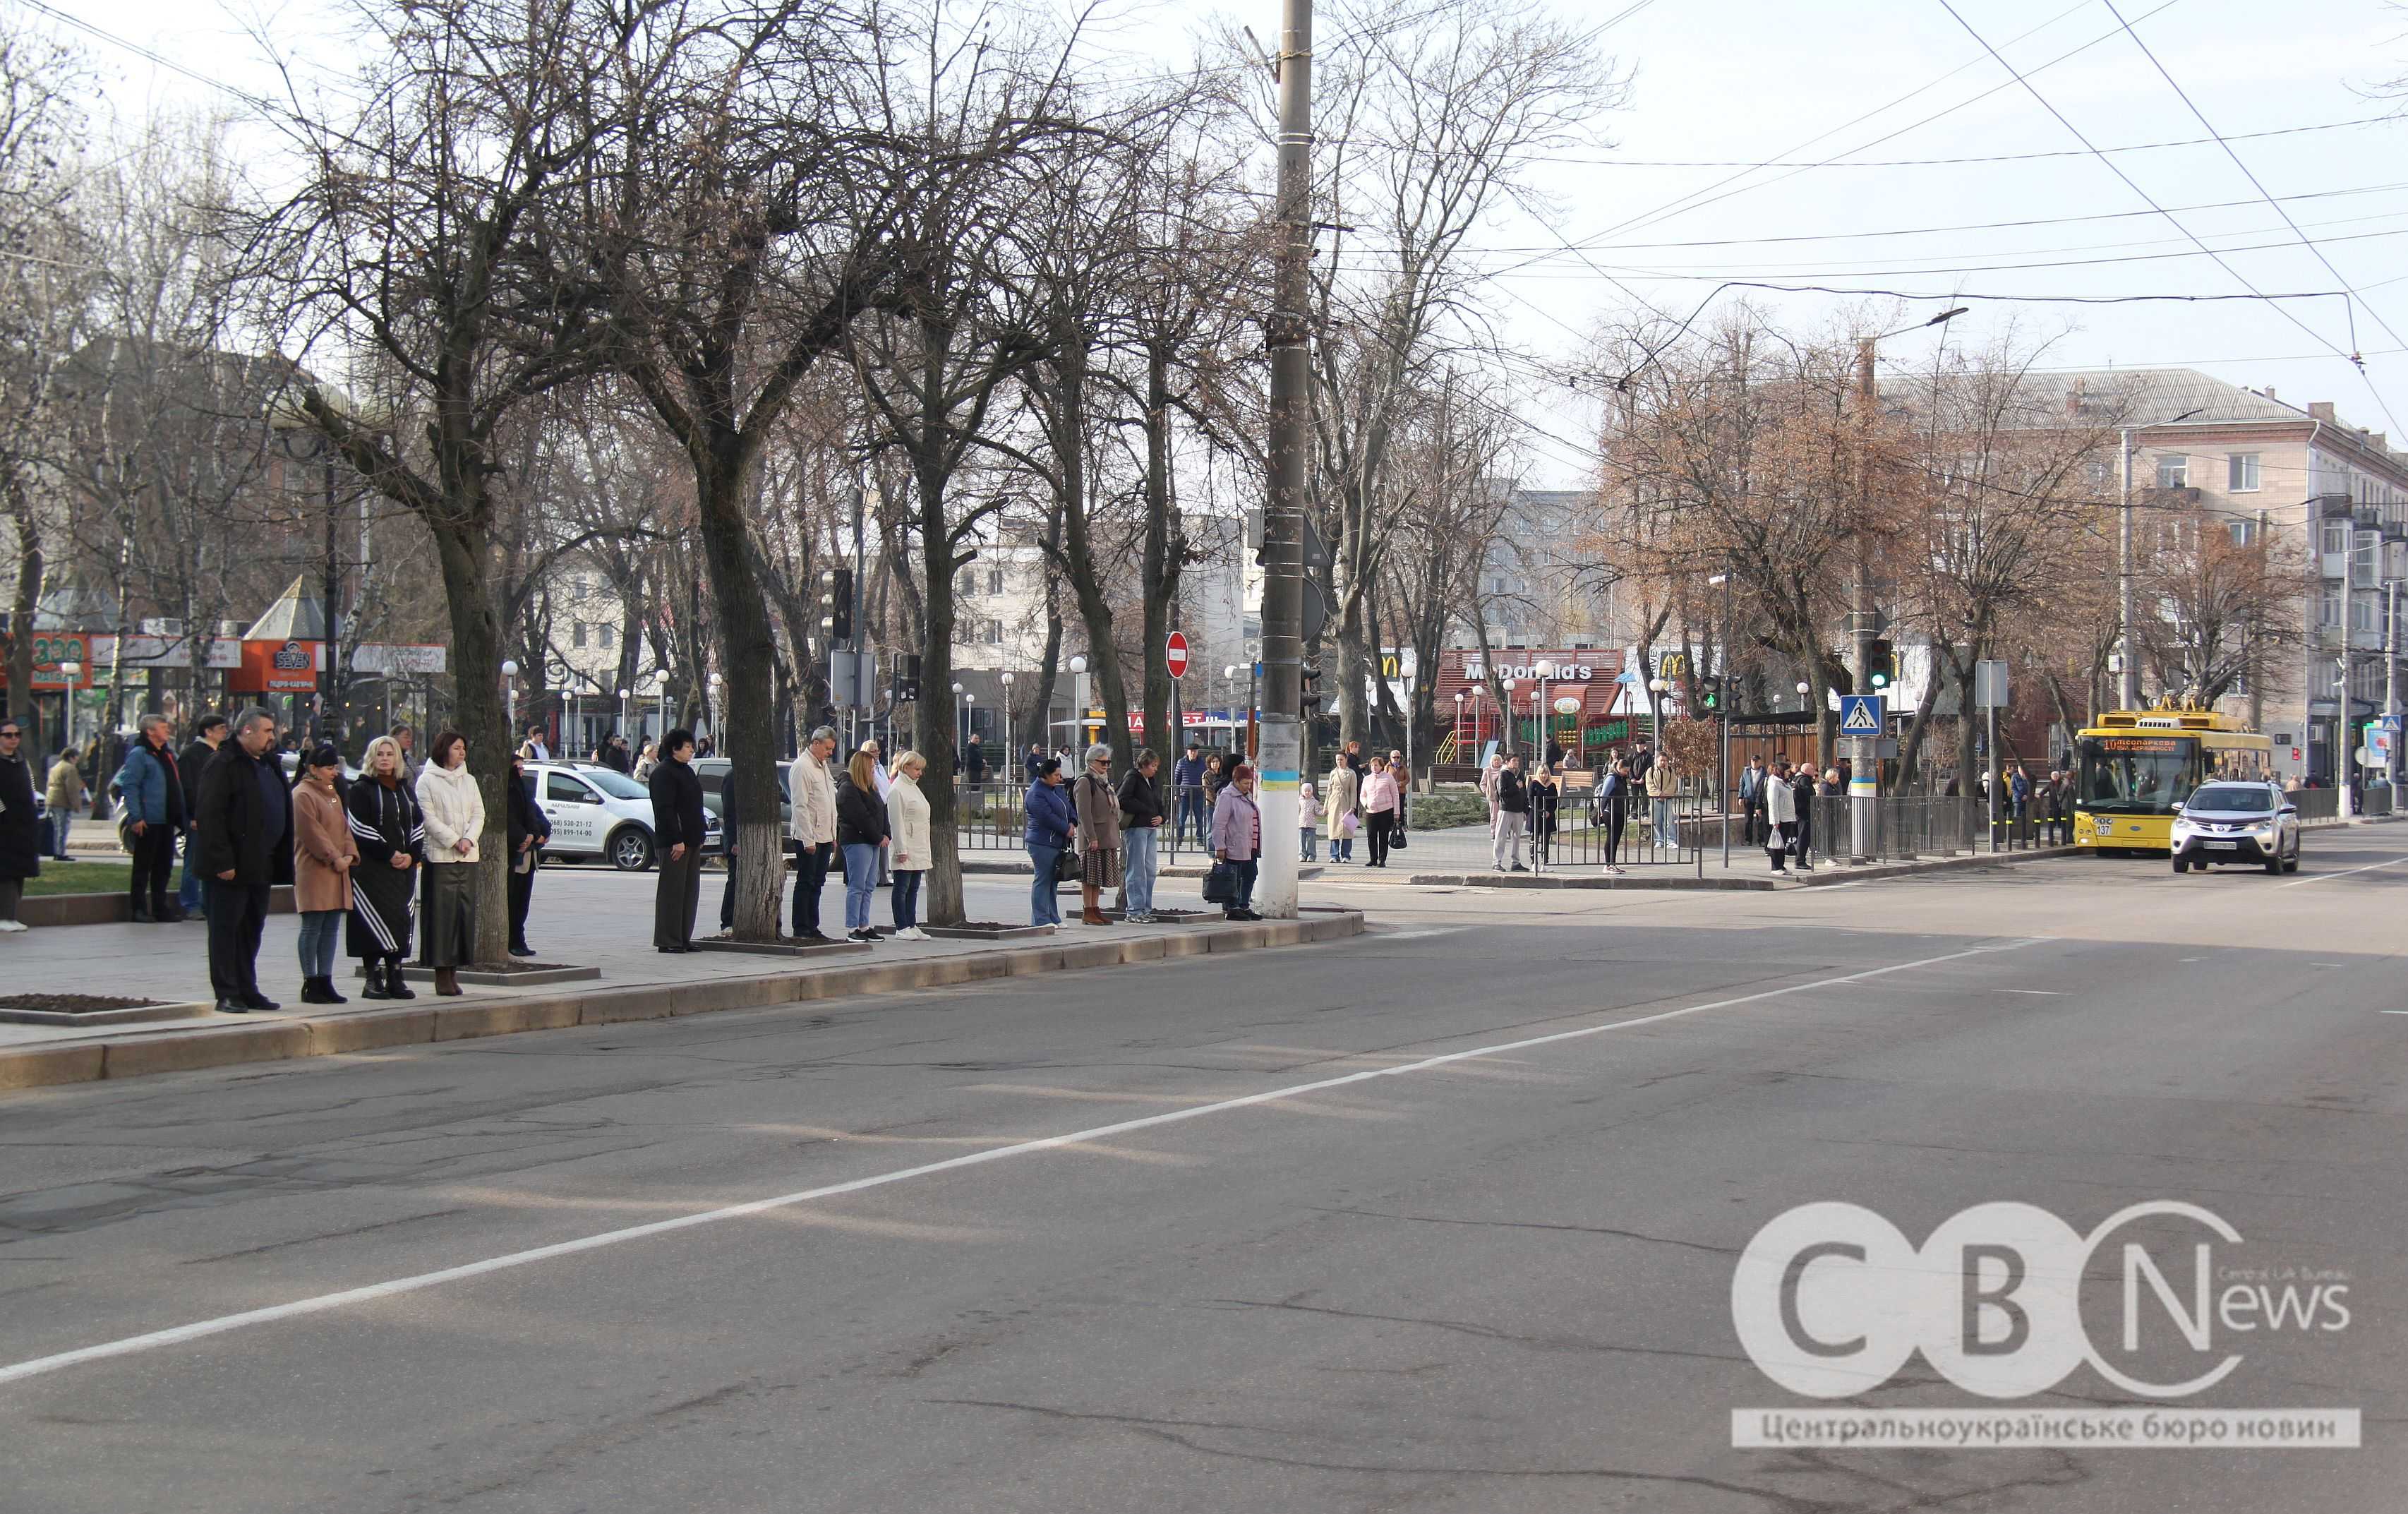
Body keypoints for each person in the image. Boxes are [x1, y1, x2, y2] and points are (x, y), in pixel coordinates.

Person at [195, 708, 294, 1012]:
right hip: (231, 867)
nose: (272, 737)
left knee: (251, 930)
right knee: (226, 931)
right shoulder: (223, 764)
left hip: (261, 863)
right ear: (247, 731)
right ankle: (227, 992)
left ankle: (247, 988)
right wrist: (223, 861)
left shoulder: (268, 764)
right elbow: (210, 815)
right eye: (267, 731)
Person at [348, 736, 423, 1000]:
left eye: (390, 754)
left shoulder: (405, 790)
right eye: (380, 754)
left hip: (403, 870)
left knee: (400, 919)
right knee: (372, 922)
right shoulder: (361, 789)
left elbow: (418, 824)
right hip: (372, 870)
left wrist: (412, 855)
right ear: (372, 757)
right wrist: (389, 854)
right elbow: (359, 827)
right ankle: (372, 979)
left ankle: (395, 975)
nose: (385, 758)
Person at [414, 730, 484, 995]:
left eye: (463, 748)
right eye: (456, 748)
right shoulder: (427, 781)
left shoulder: (470, 781)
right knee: (442, 918)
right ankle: (441, 974)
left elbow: (479, 814)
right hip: (441, 858)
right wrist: (454, 840)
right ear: (444, 750)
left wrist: (468, 839)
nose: (461, 752)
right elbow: (428, 818)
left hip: (467, 857)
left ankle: (455, 971)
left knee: (462, 917)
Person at [290, 745, 357, 1005]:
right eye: (329, 768)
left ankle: (326, 980)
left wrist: (349, 854)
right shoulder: (302, 795)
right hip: (315, 869)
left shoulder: (332, 794)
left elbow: (344, 827)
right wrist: (334, 857)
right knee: (313, 926)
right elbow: (311, 833)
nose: (335, 772)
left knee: (330, 927)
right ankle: (311, 981)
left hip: (337, 869)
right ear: (313, 769)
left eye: (335, 767)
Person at [113, 714, 187, 923]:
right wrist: (136, 816)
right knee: (143, 867)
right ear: (150, 731)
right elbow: (131, 786)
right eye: (163, 727)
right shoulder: (139, 754)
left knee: (163, 867)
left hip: (167, 819)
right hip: (148, 819)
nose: (168, 730)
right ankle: (138, 909)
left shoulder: (168, 754)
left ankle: (160, 907)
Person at [650, 728, 707, 952]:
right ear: (675, 749)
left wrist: (699, 835)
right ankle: (668, 939)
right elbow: (665, 810)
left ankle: (683, 937)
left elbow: (694, 806)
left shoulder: (687, 771)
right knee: (672, 891)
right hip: (674, 843)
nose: (692, 750)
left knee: (689, 892)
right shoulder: (664, 773)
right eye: (687, 746)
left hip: (691, 840)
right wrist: (677, 839)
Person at [788, 725, 838, 940]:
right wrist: (808, 839)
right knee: (806, 881)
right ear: (815, 743)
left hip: (825, 835)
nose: (830, 753)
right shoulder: (802, 767)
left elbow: (829, 802)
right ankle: (801, 927)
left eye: (831, 749)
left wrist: (833, 835)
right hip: (809, 836)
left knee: (818, 882)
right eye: (827, 748)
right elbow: (800, 806)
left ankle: (813, 925)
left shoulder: (823, 766)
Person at [834, 746, 889, 944]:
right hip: (857, 841)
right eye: (871, 767)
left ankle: (864, 925)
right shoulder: (848, 788)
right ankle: (852, 927)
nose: (873, 771)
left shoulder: (870, 787)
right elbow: (861, 818)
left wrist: (886, 833)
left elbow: (882, 810)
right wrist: (878, 836)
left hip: (873, 840)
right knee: (857, 885)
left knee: (869, 885)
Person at [178, 715, 227, 918]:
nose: (225, 731)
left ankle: (209, 903)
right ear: (208, 731)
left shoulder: (221, 753)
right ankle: (191, 904)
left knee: (213, 860)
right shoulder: (192, 754)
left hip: (218, 816)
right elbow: (188, 787)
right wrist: (194, 815)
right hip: (199, 817)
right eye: (221, 728)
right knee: (194, 860)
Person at [1070, 743, 1123, 927]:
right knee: (1089, 878)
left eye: (1108, 762)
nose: (1106, 765)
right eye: (1103, 762)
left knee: (1097, 878)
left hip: (1106, 837)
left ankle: (1095, 909)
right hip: (1093, 839)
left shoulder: (1103, 782)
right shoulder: (1085, 782)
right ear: (1091, 762)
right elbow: (1083, 813)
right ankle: (1088, 911)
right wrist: (1091, 837)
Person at [506, 749, 550, 956]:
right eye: (518, 768)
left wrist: (539, 833)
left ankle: (519, 938)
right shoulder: (507, 791)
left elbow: (536, 815)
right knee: (513, 900)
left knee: (523, 901)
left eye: (523, 768)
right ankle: (512, 940)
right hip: (516, 853)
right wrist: (526, 836)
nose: (522, 771)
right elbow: (512, 819)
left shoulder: (525, 789)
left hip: (530, 854)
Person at [886, 750, 932, 939]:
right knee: (902, 888)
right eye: (917, 769)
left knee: (913, 888)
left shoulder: (913, 787)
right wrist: (901, 849)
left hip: (918, 844)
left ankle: (911, 924)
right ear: (905, 768)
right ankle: (902, 926)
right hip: (906, 846)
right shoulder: (897, 790)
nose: (920, 773)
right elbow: (896, 823)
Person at [1210, 761, 1263, 920]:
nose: (1248, 786)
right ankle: (1233, 907)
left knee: (1250, 874)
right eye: (1245, 783)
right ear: (1236, 781)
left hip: (1250, 845)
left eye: (1249, 783)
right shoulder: (1227, 796)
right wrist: (1220, 847)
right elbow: (1218, 823)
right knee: (1234, 876)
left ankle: (1244, 905)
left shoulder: (1246, 796)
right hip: (1234, 844)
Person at [1024, 755, 1071, 928]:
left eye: (1060, 774)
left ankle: (1053, 917)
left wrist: (1073, 821)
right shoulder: (1036, 793)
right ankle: (1041, 919)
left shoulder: (1055, 789)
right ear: (1045, 775)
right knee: (1043, 880)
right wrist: (1066, 828)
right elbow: (1046, 817)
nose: (1060, 778)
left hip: (1056, 841)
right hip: (1042, 842)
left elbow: (1068, 807)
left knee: (1053, 881)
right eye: (1056, 775)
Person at [1119, 747, 1164, 923]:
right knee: (1136, 870)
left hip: (1151, 828)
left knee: (1150, 871)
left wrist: (1162, 816)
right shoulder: (1132, 777)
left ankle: (1145, 908)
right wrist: (1145, 810)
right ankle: (1134, 910)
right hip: (1137, 828)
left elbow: (1158, 802)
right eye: (1153, 765)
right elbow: (1123, 799)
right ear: (1144, 764)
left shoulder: (1150, 780)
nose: (1155, 769)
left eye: (1156, 766)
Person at [0, 719, 36, 932]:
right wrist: (3, 814)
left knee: (19, 870)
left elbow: (30, 787)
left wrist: (32, 809)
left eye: (17, 735)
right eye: (8, 735)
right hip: (4, 825)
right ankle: (3, 916)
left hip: (23, 825)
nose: (14, 739)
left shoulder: (22, 760)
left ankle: (12, 915)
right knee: (5, 871)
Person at [1361, 752, 1403, 868]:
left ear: (1381, 766)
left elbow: (1395, 795)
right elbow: (1363, 795)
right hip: (1371, 811)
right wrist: (1366, 804)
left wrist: (1397, 813)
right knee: (1371, 836)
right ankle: (1373, 859)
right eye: (1372, 765)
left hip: (1386, 811)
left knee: (1383, 836)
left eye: (1376, 765)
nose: (1374, 767)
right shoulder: (1367, 779)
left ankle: (1382, 859)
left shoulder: (1388, 777)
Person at [42, 745, 83, 860]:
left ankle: (55, 851)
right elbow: (72, 789)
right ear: (71, 757)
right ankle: (60, 853)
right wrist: (76, 805)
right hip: (62, 802)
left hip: (51, 800)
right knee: (62, 829)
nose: (77, 760)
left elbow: (49, 784)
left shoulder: (55, 767)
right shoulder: (70, 769)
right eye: (76, 757)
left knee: (56, 828)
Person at [1491, 755, 1528, 872]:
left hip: (1518, 810)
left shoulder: (1520, 774)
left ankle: (1515, 862)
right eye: (1514, 761)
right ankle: (1496, 862)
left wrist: (1526, 810)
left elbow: (1524, 792)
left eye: (1517, 761)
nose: (1516, 763)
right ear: (1507, 762)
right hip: (1506, 809)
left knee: (1516, 837)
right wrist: (1516, 787)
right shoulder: (1503, 774)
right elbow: (1502, 793)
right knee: (1501, 836)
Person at [1171, 739, 1208, 847]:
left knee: (1199, 819)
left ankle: (1200, 838)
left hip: (1198, 794)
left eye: (1195, 751)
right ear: (1187, 752)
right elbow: (1177, 779)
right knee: (1181, 818)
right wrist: (1176, 794)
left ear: (1197, 752)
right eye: (1191, 751)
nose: (1193, 753)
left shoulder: (1202, 763)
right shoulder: (1181, 762)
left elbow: (1206, 777)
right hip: (1184, 795)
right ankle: (1179, 838)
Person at [1764, 757, 1799, 874]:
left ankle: (1781, 865)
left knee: (1782, 843)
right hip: (1779, 818)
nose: (1789, 773)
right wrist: (1775, 821)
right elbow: (1773, 803)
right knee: (1776, 843)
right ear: (1780, 771)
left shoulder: (1784, 783)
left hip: (1786, 817)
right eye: (1787, 771)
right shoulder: (1774, 784)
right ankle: (1775, 867)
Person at [1323, 756, 1359, 863]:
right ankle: (1334, 855)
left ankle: (1346, 855)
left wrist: (1353, 806)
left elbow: (1353, 791)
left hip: (1346, 801)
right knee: (1333, 829)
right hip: (1334, 801)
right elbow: (1329, 791)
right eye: (1337, 760)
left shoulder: (1351, 773)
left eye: (1341, 759)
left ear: (1346, 760)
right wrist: (1326, 806)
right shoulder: (1333, 773)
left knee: (1347, 829)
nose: (1339, 762)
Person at [1600, 757, 1632, 874]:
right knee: (1611, 838)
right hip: (1610, 811)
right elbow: (1603, 795)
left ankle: (1612, 863)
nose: (1627, 773)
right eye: (1625, 771)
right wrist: (1601, 810)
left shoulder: (1621, 778)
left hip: (1620, 811)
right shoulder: (1612, 778)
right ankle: (1608, 865)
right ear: (1619, 768)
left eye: (1628, 771)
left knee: (1616, 839)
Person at [1645, 750, 1679, 852]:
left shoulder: (1670, 771)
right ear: (1657, 760)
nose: (1663, 762)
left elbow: (1673, 784)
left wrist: (1665, 795)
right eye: (1661, 760)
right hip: (1655, 799)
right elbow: (1649, 785)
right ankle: (1659, 840)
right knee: (1656, 820)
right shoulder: (1650, 771)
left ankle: (1671, 840)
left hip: (1668, 798)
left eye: (1665, 760)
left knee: (1669, 820)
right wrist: (1659, 794)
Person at [1529, 762, 1560, 871]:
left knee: (1546, 840)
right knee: (1534, 839)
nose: (1544, 776)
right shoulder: (1534, 784)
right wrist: (1540, 811)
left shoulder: (1552, 785)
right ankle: (1534, 863)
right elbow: (1531, 799)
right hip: (1536, 815)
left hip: (1548, 816)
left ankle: (1545, 863)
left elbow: (1554, 801)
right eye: (1542, 773)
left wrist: (1549, 811)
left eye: (1546, 773)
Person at [1790, 760, 1818, 872]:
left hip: (1799, 811)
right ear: (1807, 770)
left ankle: (1800, 859)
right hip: (1804, 812)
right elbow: (1809, 795)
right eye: (1812, 769)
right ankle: (1800, 861)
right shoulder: (1804, 780)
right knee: (1804, 836)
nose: (1814, 771)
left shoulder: (1797, 778)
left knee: (1803, 836)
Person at [1740, 755, 1768, 848]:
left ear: (1760, 762)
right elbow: (1742, 784)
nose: (1754, 763)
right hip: (1748, 798)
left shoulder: (1764, 772)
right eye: (1752, 761)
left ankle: (1761, 840)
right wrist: (1740, 797)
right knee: (1748, 820)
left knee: (1760, 820)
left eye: (1756, 761)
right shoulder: (1746, 771)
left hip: (1759, 799)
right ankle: (1748, 840)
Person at [962, 732, 988, 804]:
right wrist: (981, 760)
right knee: (972, 787)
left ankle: (976, 803)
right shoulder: (969, 747)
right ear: (971, 739)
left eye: (978, 738)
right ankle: (970, 804)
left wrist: (983, 762)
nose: (977, 740)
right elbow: (972, 758)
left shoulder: (978, 748)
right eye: (975, 738)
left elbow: (980, 756)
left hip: (978, 770)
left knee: (977, 787)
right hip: (972, 771)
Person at [1298, 777, 1318, 862]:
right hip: (1301, 824)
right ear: (1303, 792)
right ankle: (1302, 855)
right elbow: (1297, 811)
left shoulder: (1315, 802)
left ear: (1312, 791)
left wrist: (1323, 812)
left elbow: (1317, 812)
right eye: (1305, 791)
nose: (1307, 793)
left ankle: (1311, 855)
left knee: (1311, 841)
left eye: (1309, 791)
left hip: (1311, 824)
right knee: (1301, 840)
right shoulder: (1299, 801)